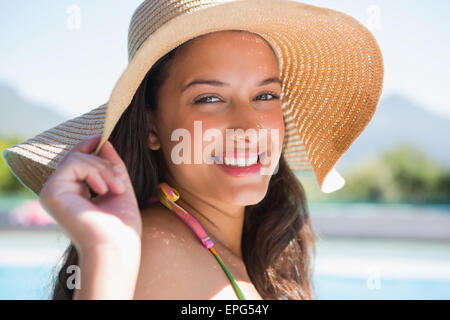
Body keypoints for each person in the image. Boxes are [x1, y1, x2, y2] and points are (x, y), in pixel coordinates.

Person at [2, 0, 384, 300]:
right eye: (209, 98)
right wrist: (108, 249)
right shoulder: (155, 250)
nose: (249, 127)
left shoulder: (263, 245)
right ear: (152, 125)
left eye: (265, 95)